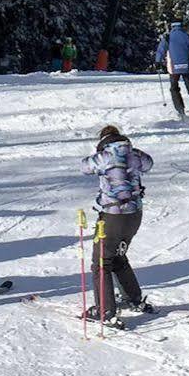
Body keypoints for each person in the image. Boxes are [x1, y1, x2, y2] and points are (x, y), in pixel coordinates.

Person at [80, 124, 155, 323]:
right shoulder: (134, 154)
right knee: (118, 256)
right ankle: (133, 297)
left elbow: (84, 166)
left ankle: (105, 310)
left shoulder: (105, 156)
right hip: (134, 215)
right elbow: (149, 164)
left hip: (113, 215)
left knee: (101, 262)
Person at [153, 21, 189, 117]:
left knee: (174, 88)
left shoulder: (168, 37)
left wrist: (158, 61)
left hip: (173, 68)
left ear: (172, 26)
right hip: (187, 67)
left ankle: (180, 110)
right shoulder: (188, 36)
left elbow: (161, 50)